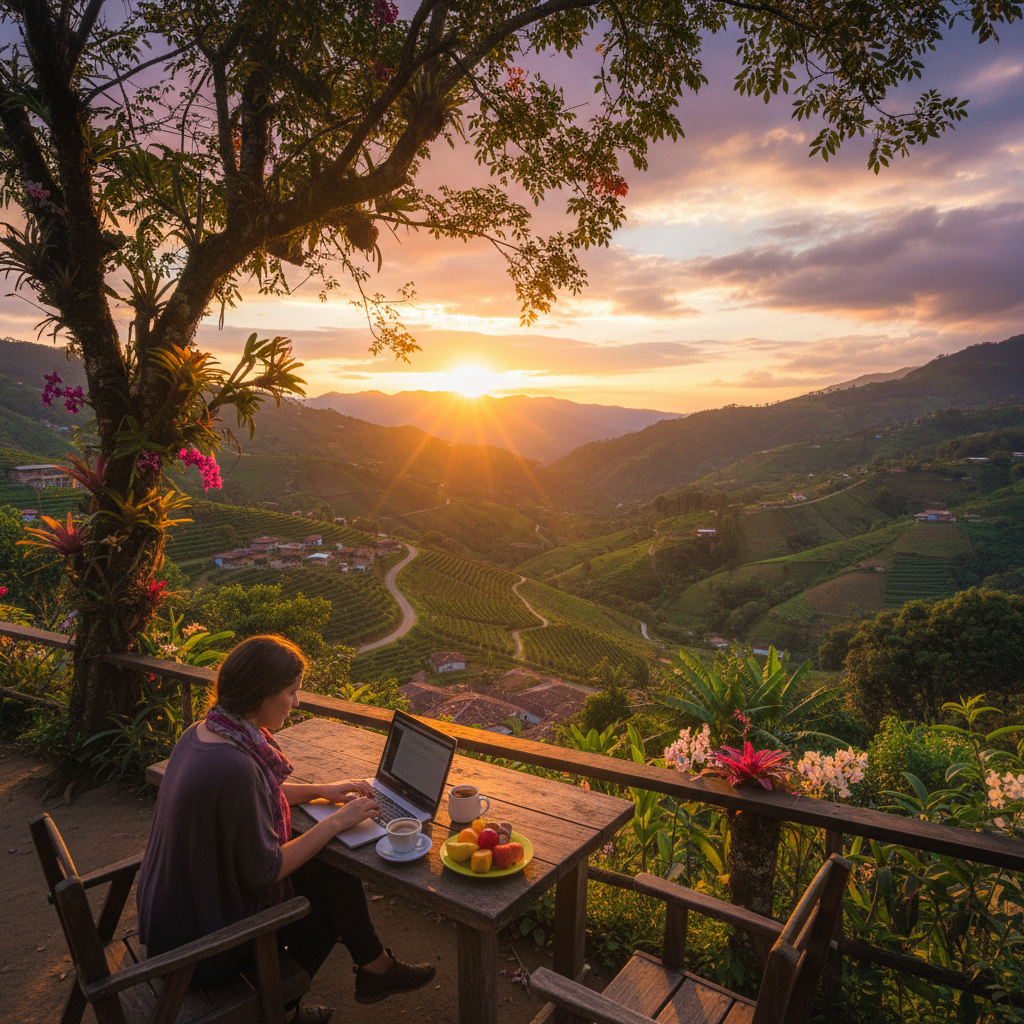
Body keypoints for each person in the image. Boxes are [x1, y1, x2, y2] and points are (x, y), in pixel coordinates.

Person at [137, 634, 435, 1024]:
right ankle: (287, 1007)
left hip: (176, 922)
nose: (296, 702)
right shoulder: (234, 768)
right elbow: (265, 872)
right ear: (262, 695)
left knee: (331, 872)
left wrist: (322, 791)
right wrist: (336, 822)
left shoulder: (205, 733)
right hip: (201, 951)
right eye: (291, 692)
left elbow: (261, 790)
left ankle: (373, 968)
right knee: (329, 899)